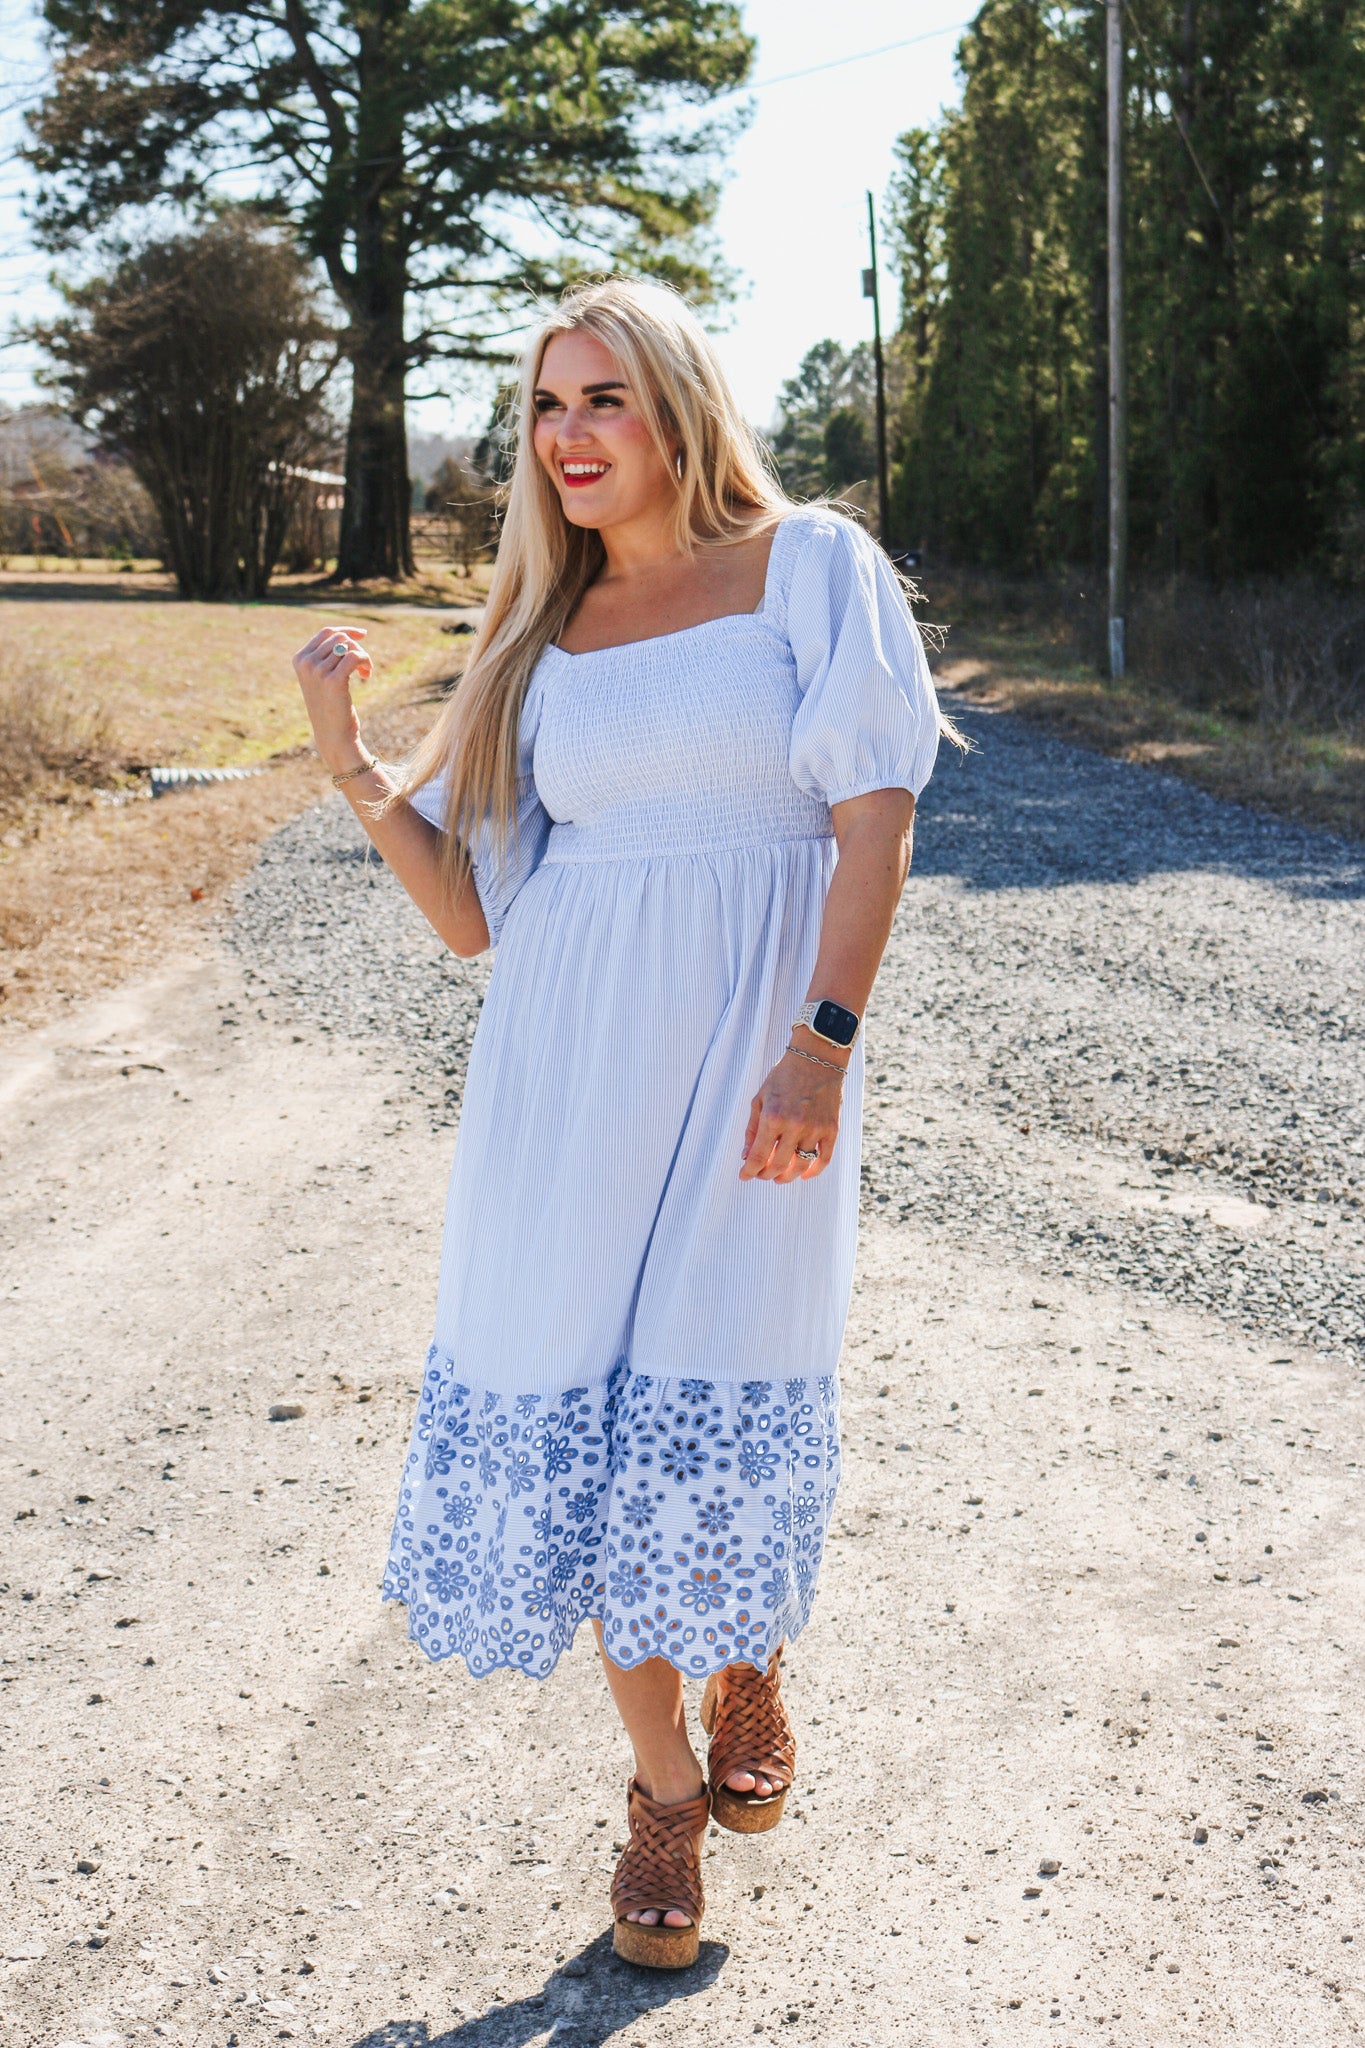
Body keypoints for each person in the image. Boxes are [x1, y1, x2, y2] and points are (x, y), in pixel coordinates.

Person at [291, 276, 944, 1969]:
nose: (569, 437)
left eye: (600, 399)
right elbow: (473, 915)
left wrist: (821, 1044)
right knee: (570, 1418)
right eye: (544, 408)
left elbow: (870, 822)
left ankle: (747, 1660)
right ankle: (662, 1793)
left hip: (754, 1073)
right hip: (561, 1085)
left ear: (672, 407)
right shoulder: (535, 635)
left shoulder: (811, 567)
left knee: (713, 1390)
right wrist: (354, 763)